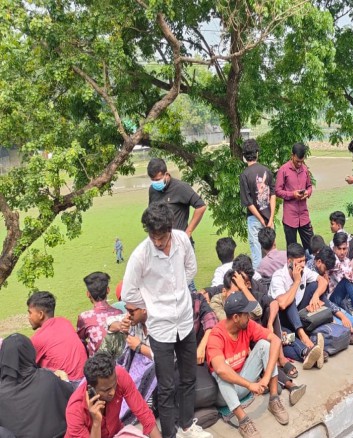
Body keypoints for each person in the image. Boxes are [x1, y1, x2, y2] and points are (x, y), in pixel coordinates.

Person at [121, 203, 209, 438]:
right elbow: (128, 292)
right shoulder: (141, 255)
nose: (158, 242)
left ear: (170, 229)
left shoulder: (181, 240)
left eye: (161, 237)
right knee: (167, 386)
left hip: (185, 321)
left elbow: (191, 268)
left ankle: (187, 426)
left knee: (188, 377)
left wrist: (177, 290)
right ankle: (170, 434)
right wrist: (152, 303)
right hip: (161, 328)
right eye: (153, 237)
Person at [206, 293, 289, 437]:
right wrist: (250, 385)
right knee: (221, 371)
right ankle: (243, 421)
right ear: (236, 317)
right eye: (246, 314)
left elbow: (275, 340)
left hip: (244, 382)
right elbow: (220, 369)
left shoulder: (247, 325)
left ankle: (274, 399)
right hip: (225, 395)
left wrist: (266, 377)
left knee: (265, 345)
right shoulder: (216, 335)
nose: (249, 316)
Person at [65, 352, 162, 438]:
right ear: (91, 388)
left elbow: (144, 413)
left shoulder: (120, 375)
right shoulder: (75, 410)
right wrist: (96, 422)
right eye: (106, 390)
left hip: (115, 433)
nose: (112, 392)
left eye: (114, 385)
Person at [0, 333, 74, 438]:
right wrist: (65, 379)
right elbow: (71, 396)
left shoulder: (2, 391)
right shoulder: (47, 378)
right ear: (31, 352)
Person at [27, 291, 87, 382]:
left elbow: (26, 367)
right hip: (85, 379)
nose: (29, 317)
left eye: (30, 313)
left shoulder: (38, 339)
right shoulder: (64, 322)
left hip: (69, 384)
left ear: (40, 314)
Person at [147, 158, 207, 243]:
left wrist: (188, 231)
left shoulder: (181, 187)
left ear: (166, 174)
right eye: (152, 180)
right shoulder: (152, 190)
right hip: (161, 243)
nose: (155, 183)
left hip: (181, 242)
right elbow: (151, 213)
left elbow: (201, 206)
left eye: (158, 180)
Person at [239, 139, 276, 269]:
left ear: (244, 156)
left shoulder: (244, 175)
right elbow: (273, 194)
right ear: (257, 153)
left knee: (257, 256)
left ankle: (259, 280)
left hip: (254, 219)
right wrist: (270, 219)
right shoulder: (267, 170)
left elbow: (248, 202)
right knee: (271, 254)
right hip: (269, 218)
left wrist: (260, 219)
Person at [275, 142, 314, 252]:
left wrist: (307, 192)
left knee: (312, 247)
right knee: (292, 251)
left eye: (301, 161)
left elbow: (309, 186)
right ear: (292, 156)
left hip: (304, 216)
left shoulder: (305, 169)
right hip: (290, 217)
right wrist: (293, 194)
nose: (299, 164)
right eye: (297, 161)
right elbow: (277, 191)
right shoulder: (283, 170)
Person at [78, 272, 124, 358]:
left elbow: (80, 342)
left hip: (96, 364)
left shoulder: (84, 317)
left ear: (88, 294)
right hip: (118, 362)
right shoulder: (119, 313)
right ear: (108, 290)